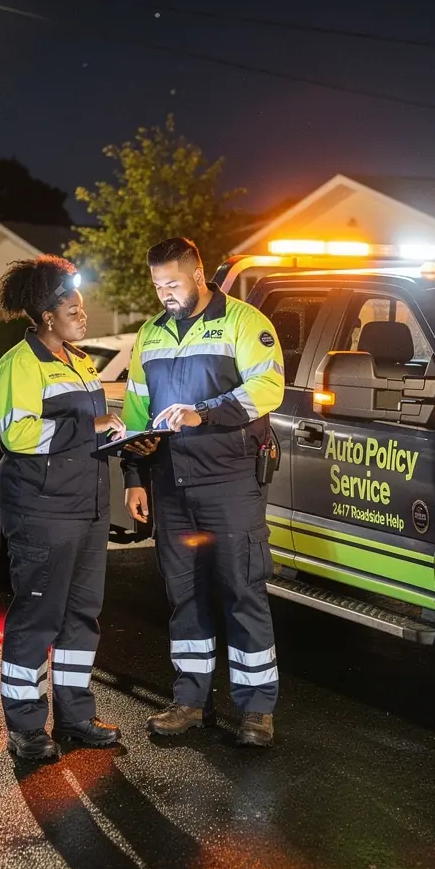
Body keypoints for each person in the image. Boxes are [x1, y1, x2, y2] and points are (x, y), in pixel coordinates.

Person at [122, 236, 285, 747]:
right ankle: (190, 702)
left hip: (230, 478)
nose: (164, 293)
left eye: (172, 283)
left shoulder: (243, 321)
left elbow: (267, 387)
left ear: (197, 274)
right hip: (171, 481)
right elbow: (135, 408)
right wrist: (133, 475)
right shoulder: (150, 334)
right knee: (184, 596)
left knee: (242, 589)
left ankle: (257, 712)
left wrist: (205, 412)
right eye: (156, 286)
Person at [0, 254, 127, 762]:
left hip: (87, 507)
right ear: (47, 315)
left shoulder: (81, 359)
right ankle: (25, 726)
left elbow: (87, 430)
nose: (83, 314)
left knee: (81, 616)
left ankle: (75, 716)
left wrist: (124, 434)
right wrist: (90, 426)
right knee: (37, 616)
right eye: (73, 306)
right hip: (42, 508)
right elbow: (18, 433)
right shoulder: (18, 365)